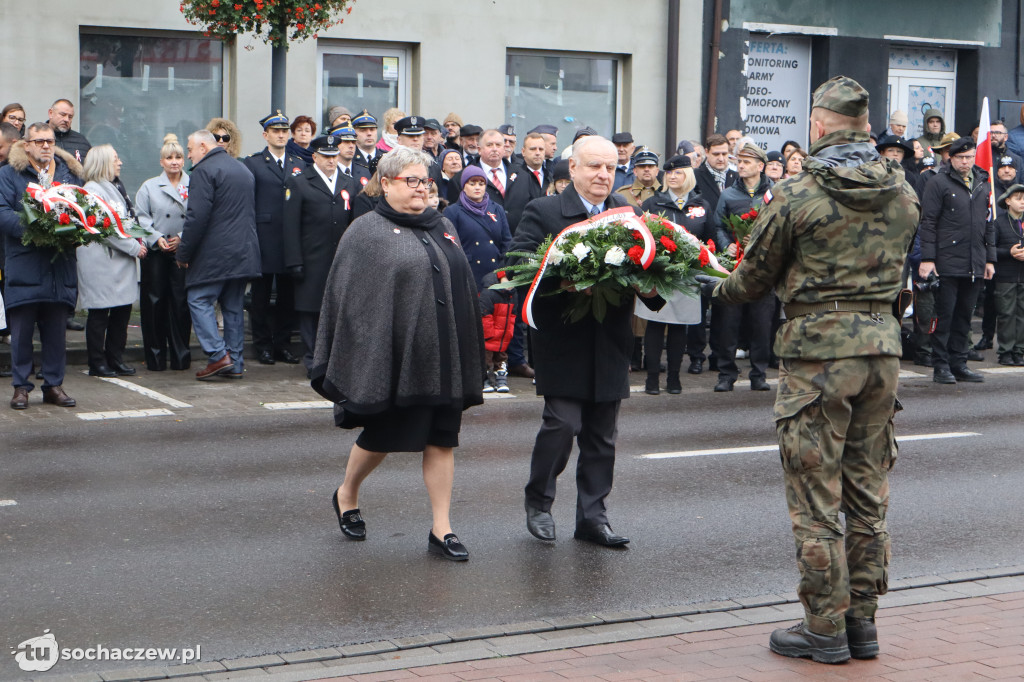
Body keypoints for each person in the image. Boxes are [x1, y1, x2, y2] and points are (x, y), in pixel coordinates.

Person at [707, 75, 920, 665]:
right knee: (868, 494)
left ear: (819, 127)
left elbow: (751, 280)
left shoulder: (799, 195)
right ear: (866, 127)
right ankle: (863, 624)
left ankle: (823, 627)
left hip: (818, 355)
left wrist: (711, 284)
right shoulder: (903, 190)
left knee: (815, 495)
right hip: (881, 352)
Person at [312, 146, 485, 561]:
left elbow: (458, 284)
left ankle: (441, 528)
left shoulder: (442, 224)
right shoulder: (365, 231)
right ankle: (347, 492)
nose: (422, 189)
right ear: (386, 183)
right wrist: (369, 351)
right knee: (384, 435)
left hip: (443, 356)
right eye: (412, 181)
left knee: (442, 438)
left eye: (426, 181)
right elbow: (350, 301)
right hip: (392, 358)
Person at [509, 135, 664, 548]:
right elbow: (519, 266)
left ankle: (593, 519)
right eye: (594, 166)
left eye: (611, 168)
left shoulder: (629, 213)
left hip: (611, 339)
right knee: (562, 424)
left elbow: (652, 270)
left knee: (602, 436)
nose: (603, 175)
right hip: (564, 340)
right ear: (572, 168)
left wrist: (651, 288)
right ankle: (539, 502)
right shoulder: (543, 211)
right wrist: (564, 282)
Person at [0, 122, 84, 409]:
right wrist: (37, 228)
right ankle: (21, 387)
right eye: (39, 141)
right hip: (25, 265)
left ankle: (53, 385)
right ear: (27, 145)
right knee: (22, 333)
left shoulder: (68, 173)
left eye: (49, 141)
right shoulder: (8, 174)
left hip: (59, 267)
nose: (45, 146)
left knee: (55, 333)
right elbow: (2, 213)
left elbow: (81, 209)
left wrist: (75, 228)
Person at [177, 129, 261, 380]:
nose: (189, 156)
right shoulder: (242, 169)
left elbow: (196, 218)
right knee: (233, 307)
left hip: (215, 253)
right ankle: (234, 362)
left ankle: (217, 355)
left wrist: (183, 252)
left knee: (198, 299)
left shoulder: (204, 171)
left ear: (203, 146)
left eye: (190, 150)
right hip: (243, 251)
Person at [918, 137, 994, 384]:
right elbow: (928, 222)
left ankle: (959, 362)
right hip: (947, 259)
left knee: (965, 315)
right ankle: (941, 365)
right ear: (950, 157)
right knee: (945, 315)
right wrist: (928, 257)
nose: (965, 162)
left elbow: (989, 224)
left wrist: (990, 260)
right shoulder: (938, 182)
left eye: (969, 157)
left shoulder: (983, 183)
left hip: (975, 260)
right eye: (960, 157)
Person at [282, 133, 359, 375]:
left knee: (338, 309)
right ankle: (314, 359)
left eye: (334, 156)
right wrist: (294, 260)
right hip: (311, 257)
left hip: (340, 258)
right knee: (311, 310)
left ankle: (334, 359)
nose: (331, 161)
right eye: (325, 156)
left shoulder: (348, 182)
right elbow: (290, 225)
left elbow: (354, 221)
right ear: (315, 156)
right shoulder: (300, 182)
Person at [78, 145, 150, 377]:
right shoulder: (92, 190)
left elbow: (127, 219)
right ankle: (97, 362)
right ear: (102, 163)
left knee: (121, 312)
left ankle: (115, 358)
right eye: (115, 159)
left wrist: (141, 241)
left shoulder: (114, 186)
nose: (120, 163)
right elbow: (103, 229)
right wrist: (134, 247)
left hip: (120, 261)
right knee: (100, 313)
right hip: (102, 262)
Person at [640, 154, 711, 390]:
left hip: (686, 273)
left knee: (680, 325)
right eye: (669, 172)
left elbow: (710, 237)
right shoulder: (653, 203)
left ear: (688, 176)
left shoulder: (701, 205)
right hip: (657, 272)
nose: (672, 176)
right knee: (655, 323)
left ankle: (673, 377)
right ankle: (651, 378)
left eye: (678, 172)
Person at [243, 112, 305, 367]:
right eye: (275, 131)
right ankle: (263, 345)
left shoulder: (298, 162)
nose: (281, 135)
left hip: (291, 239)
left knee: (288, 297)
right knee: (260, 296)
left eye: (284, 131)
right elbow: (248, 203)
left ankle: (282, 344)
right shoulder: (254, 163)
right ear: (265, 135)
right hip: (264, 238)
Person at [711, 143, 774, 392]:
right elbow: (718, 226)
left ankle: (758, 374)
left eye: (747, 162)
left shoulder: (774, 193)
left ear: (760, 166)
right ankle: (726, 374)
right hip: (735, 269)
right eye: (740, 161)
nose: (741, 165)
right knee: (729, 322)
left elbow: (781, 227)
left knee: (761, 324)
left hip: (763, 269)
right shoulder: (728, 195)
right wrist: (729, 246)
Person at [135, 133, 193, 372]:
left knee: (180, 304)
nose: (174, 162)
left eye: (178, 157)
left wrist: (184, 238)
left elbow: (198, 216)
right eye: (169, 157)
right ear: (161, 161)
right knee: (154, 303)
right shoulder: (149, 186)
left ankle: (181, 357)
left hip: (181, 250)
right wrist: (156, 237)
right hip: (157, 251)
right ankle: (155, 358)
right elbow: (140, 216)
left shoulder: (194, 184)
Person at [992, 183, 1024, 365]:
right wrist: (1008, 253)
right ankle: (1005, 351)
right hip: (1005, 277)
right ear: (1008, 201)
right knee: (1006, 314)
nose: (1022, 202)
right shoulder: (999, 223)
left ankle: (1019, 350)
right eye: (1018, 199)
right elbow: (991, 250)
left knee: (1022, 314)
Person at [505, 131, 548, 233]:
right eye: (533, 149)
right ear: (523, 151)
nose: (537, 152)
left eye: (541, 149)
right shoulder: (514, 177)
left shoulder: (551, 177)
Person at [694, 134, 738, 210]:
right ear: (706, 152)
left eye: (724, 154)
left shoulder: (737, 178)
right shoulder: (695, 176)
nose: (721, 158)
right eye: (716, 154)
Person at [48, 98, 90, 163]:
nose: (66, 120)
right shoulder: (37, 139)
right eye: (63, 115)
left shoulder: (81, 141)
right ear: (51, 113)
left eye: (70, 117)